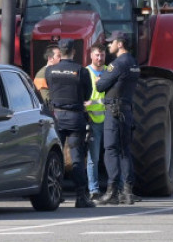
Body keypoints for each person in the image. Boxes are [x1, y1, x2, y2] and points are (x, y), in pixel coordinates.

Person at [45, 39, 95, 208]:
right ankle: (81, 197)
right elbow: (88, 95)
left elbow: (49, 89)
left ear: (60, 51)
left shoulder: (50, 70)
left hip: (57, 117)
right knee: (77, 158)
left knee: (54, 157)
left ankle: (55, 195)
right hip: (75, 118)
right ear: (74, 52)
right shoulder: (81, 71)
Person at [96, 31, 140, 205]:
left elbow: (100, 86)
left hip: (113, 112)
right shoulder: (134, 63)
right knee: (125, 151)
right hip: (127, 110)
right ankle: (127, 192)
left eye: (111, 42)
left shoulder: (118, 64)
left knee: (111, 150)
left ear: (120, 44)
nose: (108, 45)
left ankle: (112, 191)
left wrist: (102, 78)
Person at [85, 43, 108, 202]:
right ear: (91, 55)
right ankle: (93, 189)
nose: (99, 58)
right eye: (97, 55)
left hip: (109, 120)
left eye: (102, 55)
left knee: (113, 155)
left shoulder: (110, 71)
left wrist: (95, 103)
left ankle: (117, 187)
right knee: (93, 158)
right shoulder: (85, 72)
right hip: (92, 120)